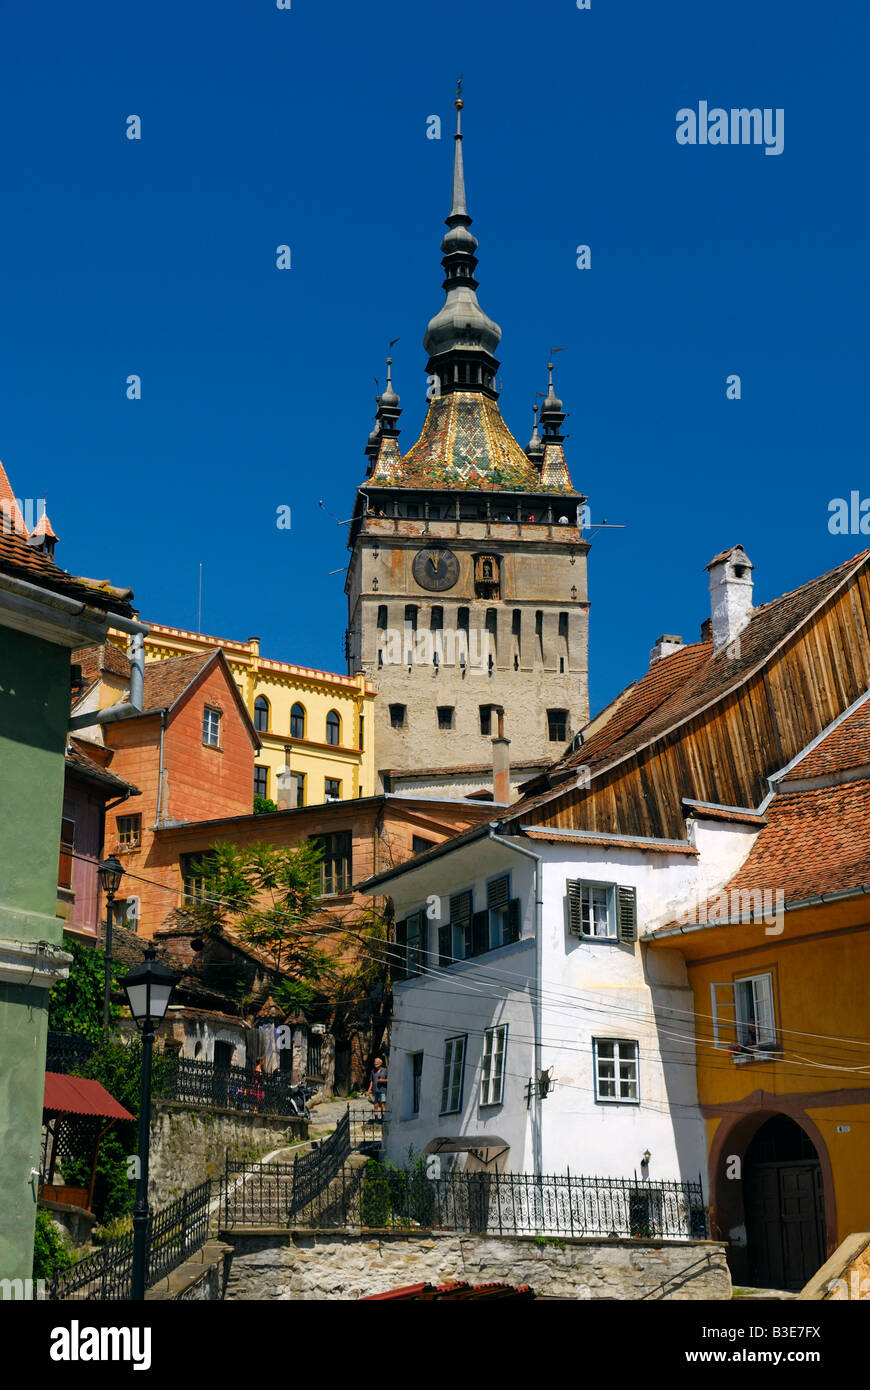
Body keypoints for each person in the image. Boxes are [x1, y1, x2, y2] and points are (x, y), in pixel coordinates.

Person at [368, 1055, 388, 1122]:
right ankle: (376, 1119)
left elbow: (389, 1080)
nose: (375, 1064)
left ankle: (383, 1118)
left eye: (376, 1063)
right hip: (375, 1090)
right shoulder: (373, 1071)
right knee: (375, 1104)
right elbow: (372, 1081)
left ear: (380, 1063)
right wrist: (370, 1088)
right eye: (374, 1062)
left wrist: (383, 1080)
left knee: (382, 1104)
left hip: (383, 1090)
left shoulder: (385, 1070)